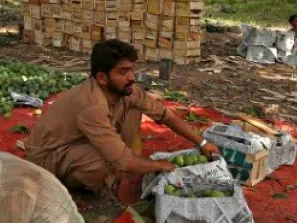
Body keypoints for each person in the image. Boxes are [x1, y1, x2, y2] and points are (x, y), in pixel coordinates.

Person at [25, 39, 220, 195]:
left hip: (79, 140)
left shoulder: (127, 90)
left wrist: (201, 142)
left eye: (132, 69)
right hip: (48, 157)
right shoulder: (92, 106)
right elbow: (120, 159)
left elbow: (165, 116)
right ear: (102, 78)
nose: (132, 77)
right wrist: (160, 166)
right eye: (123, 72)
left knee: (135, 107)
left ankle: (126, 166)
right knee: (107, 161)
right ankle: (77, 184)